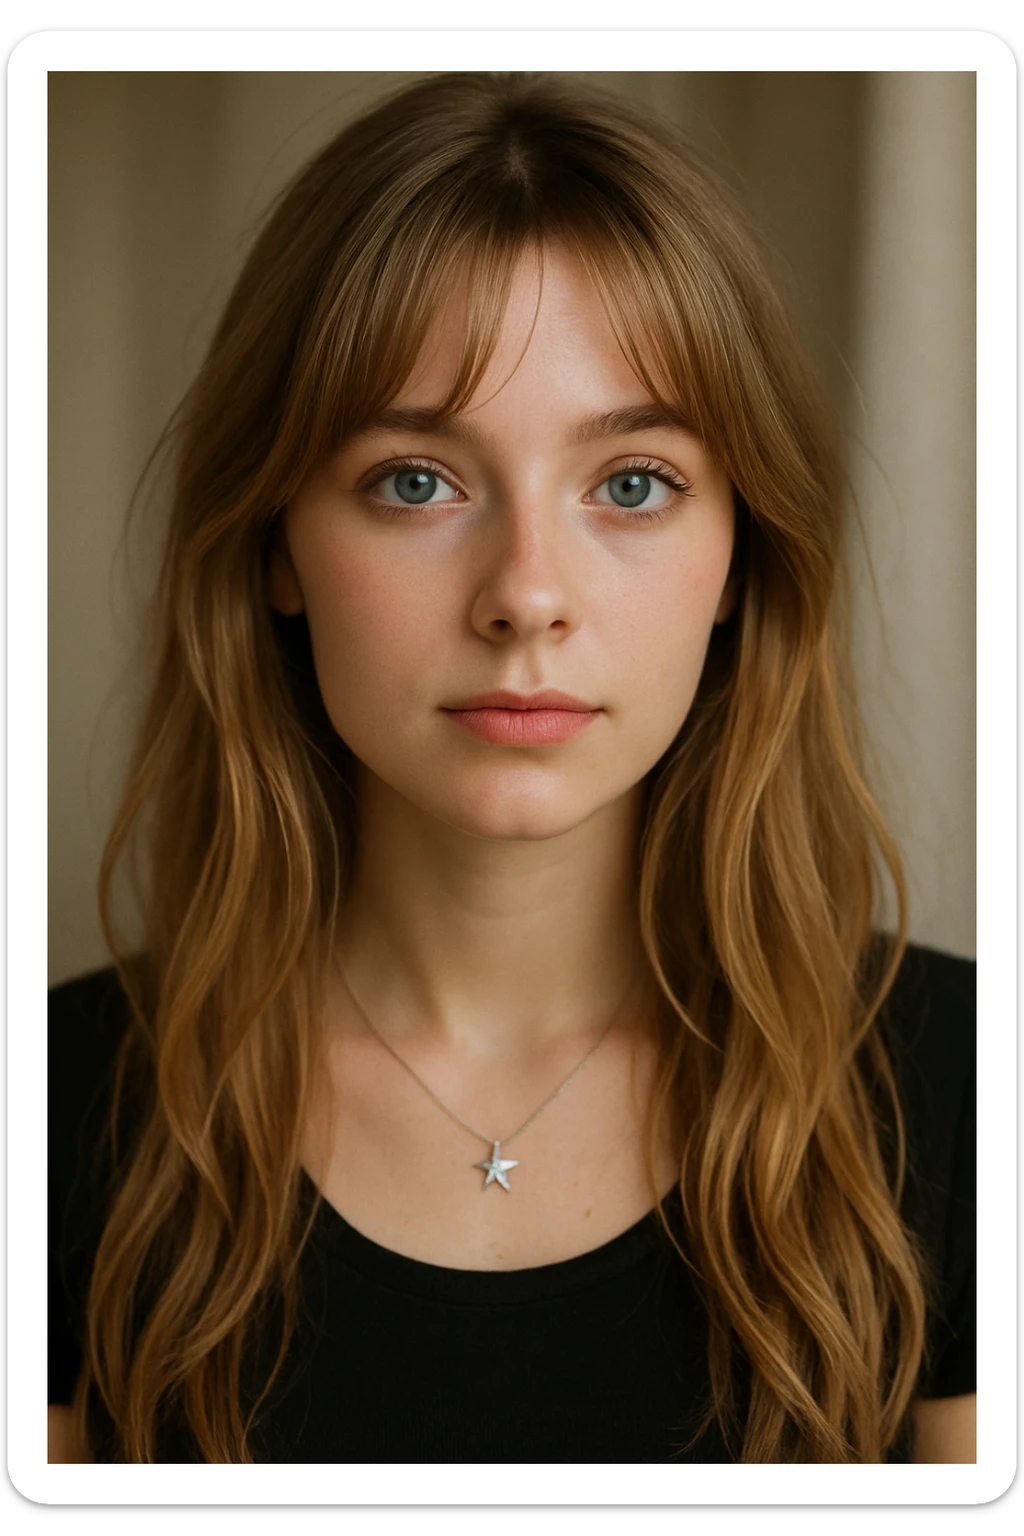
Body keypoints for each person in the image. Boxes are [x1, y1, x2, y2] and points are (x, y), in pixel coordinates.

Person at [47, 72, 975, 1465]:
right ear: (275, 548)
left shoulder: (971, 1090)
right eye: (417, 480)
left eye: (633, 483)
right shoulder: (49, 1115)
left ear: (742, 563)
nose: (526, 596)